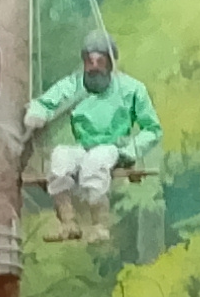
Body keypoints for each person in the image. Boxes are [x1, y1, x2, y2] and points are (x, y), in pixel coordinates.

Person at [21, 28, 159, 236]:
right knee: (60, 158)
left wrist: (130, 151)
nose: (94, 67)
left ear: (110, 63)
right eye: (89, 61)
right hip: (83, 146)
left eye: (100, 61)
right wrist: (37, 113)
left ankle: (99, 225)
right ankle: (68, 222)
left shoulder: (131, 89)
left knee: (95, 162)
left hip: (114, 147)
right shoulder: (74, 84)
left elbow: (152, 129)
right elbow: (47, 102)